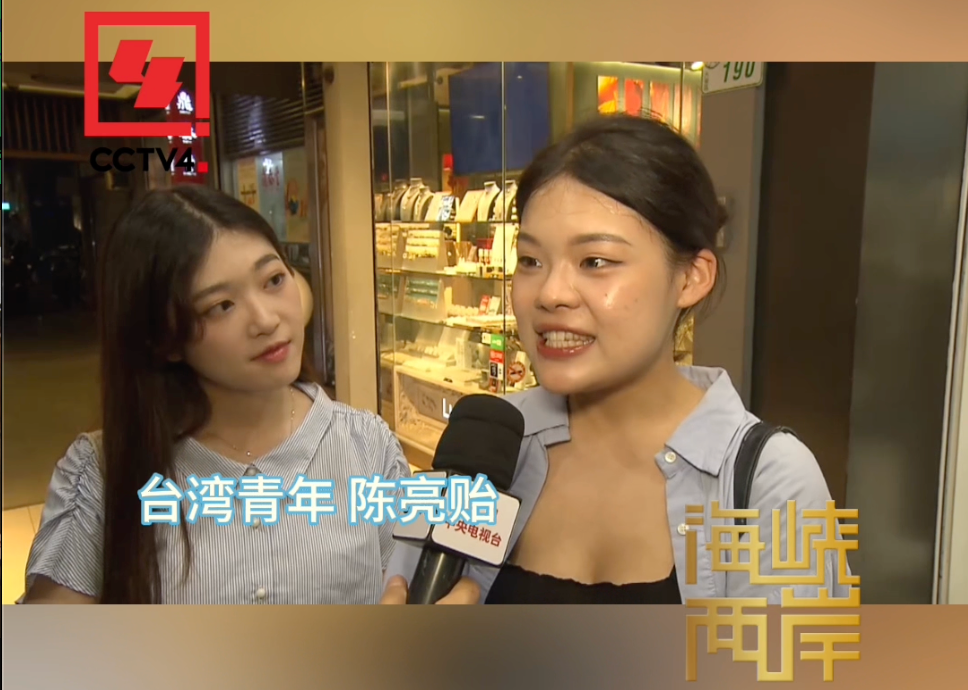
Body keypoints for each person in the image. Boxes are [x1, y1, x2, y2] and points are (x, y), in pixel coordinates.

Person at [382, 113, 852, 605]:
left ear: (692, 277)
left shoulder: (771, 484)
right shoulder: (485, 448)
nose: (551, 293)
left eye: (595, 262)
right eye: (531, 261)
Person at [22, 185, 410, 605]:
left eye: (274, 280)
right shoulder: (102, 474)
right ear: (164, 339)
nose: (266, 320)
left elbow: (413, 589)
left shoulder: (367, 447)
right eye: (222, 306)